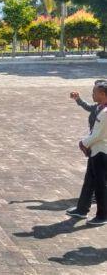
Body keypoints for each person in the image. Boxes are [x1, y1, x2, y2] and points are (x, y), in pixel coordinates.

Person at [66, 81, 107, 226]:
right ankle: (82, 209)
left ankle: (103, 215)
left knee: (101, 185)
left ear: (102, 94)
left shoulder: (105, 112)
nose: (92, 94)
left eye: (94, 92)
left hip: (102, 152)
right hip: (95, 150)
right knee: (89, 181)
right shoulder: (100, 107)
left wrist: (83, 143)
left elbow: (98, 135)